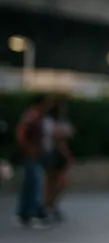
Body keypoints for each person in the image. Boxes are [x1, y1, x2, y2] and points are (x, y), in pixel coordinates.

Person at [15, 95, 56, 228]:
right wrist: (28, 148)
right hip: (31, 155)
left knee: (30, 184)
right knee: (34, 184)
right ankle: (31, 214)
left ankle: (25, 214)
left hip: (35, 154)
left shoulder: (37, 115)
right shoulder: (32, 115)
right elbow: (21, 132)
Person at [43, 98, 75, 223]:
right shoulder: (48, 121)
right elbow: (59, 136)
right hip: (51, 153)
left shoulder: (59, 121)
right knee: (51, 182)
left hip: (58, 155)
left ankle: (51, 205)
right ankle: (48, 205)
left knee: (58, 183)